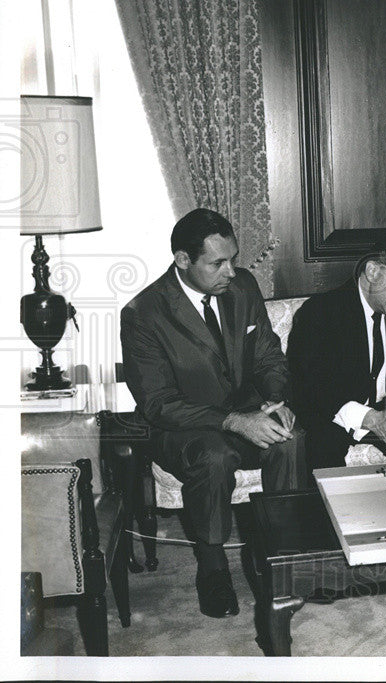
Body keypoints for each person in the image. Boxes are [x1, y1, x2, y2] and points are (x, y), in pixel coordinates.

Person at [120, 208, 307, 619]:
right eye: (217, 263)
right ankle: (213, 568)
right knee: (215, 456)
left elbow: (268, 355)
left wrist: (273, 400)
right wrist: (234, 422)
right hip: (182, 426)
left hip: (244, 411)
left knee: (290, 437)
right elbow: (158, 403)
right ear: (182, 260)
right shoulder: (143, 314)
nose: (230, 272)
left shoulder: (242, 288)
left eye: (234, 259)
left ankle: (282, 556)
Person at [286, 234, 386, 470]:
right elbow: (313, 389)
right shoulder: (321, 312)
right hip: (338, 414)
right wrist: (373, 420)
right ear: (373, 272)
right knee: (323, 444)